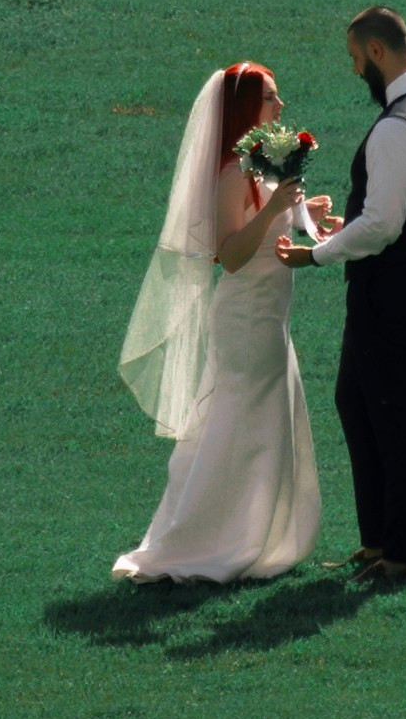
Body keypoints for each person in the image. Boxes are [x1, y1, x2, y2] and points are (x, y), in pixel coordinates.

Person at [112, 61, 321, 583]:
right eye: (269, 97)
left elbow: (267, 233)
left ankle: (254, 533)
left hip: (269, 315)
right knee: (239, 425)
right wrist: (272, 209)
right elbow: (230, 256)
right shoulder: (232, 173)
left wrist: (305, 215)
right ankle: (217, 538)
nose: (280, 106)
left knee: (260, 422)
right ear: (246, 107)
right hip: (247, 317)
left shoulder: (258, 167)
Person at [280, 7, 406, 581]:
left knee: (395, 414)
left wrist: (317, 253)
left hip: (392, 285)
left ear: (378, 52)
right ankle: (378, 538)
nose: (356, 70)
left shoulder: (396, 125)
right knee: (357, 399)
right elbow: (395, 212)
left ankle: (402, 553)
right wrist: (350, 229)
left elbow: (383, 225)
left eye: (357, 59)